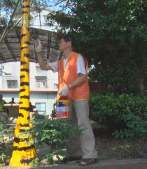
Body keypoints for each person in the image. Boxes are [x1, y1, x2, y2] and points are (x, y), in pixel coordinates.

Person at [33, 34, 98, 166]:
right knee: (68, 127)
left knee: (83, 124)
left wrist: (69, 87)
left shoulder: (77, 57)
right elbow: (43, 66)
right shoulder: (61, 62)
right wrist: (38, 50)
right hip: (64, 98)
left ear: (69, 44)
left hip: (79, 96)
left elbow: (83, 77)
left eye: (61, 42)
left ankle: (90, 155)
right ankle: (74, 154)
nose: (59, 44)